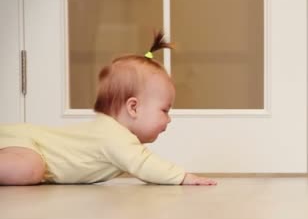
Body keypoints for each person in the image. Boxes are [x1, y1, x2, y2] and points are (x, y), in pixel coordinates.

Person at [0, 31, 217, 186]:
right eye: (164, 111)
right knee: (30, 169)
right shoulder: (113, 136)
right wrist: (183, 177)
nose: (169, 120)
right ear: (133, 107)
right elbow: (144, 164)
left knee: (31, 169)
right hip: (26, 143)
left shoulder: (114, 134)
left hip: (25, 141)